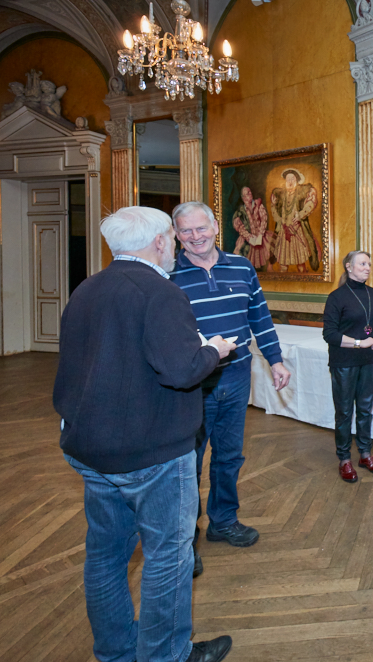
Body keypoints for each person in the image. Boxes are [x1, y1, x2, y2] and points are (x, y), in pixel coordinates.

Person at [54, 206, 235, 662]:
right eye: (172, 238)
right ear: (159, 242)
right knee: (167, 558)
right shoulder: (160, 291)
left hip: (91, 448)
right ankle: (166, 655)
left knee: (105, 557)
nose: (174, 246)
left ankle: (116, 652)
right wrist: (214, 351)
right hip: (151, 454)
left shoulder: (87, 288)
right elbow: (181, 370)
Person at [170, 201, 291, 563]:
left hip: (237, 376)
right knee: (188, 462)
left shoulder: (241, 267)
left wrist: (275, 359)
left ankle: (223, 521)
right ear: (176, 235)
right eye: (186, 230)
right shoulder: (167, 274)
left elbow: (259, 316)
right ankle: (185, 539)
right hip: (192, 383)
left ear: (214, 227)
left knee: (229, 456)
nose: (195, 236)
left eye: (201, 228)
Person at [322, 251, 373, 482]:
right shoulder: (336, 297)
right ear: (349, 267)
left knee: (365, 410)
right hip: (344, 362)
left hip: (369, 361)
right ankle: (344, 459)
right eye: (362, 263)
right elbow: (329, 334)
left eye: (369, 264)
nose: (367, 267)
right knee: (344, 413)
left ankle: (365, 454)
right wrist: (360, 343)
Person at [270, 168, 320, 273]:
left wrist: (300, 214)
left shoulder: (302, 193)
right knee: (283, 265)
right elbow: (275, 215)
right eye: (288, 179)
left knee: (301, 265)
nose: (290, 182)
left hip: (297, 232)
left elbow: (311, 203)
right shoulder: (280, 195)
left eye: (292, 179)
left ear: (296, 180)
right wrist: (274, 207)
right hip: (284, 234)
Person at [231, 185, 271, 271]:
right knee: (243, 258)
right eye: (246, 193)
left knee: (270, 253)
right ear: (243, 198)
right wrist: (249, 237)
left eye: (249, 192)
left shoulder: (258, 205)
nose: (249, 194)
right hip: (248, 238)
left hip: (261, 236)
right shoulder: (241, 211)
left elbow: (264, 219)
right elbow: (240, 228)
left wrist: (260, 235)